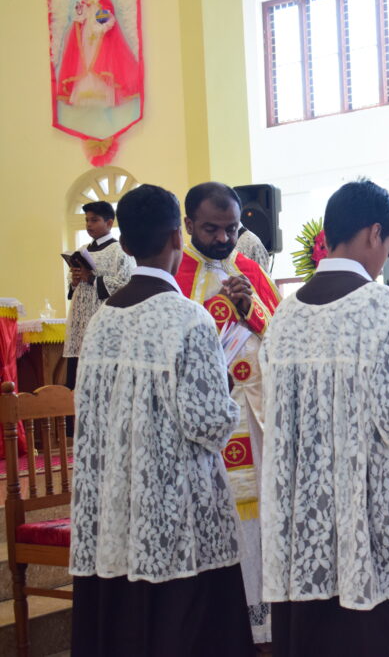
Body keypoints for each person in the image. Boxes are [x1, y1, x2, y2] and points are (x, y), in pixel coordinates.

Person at [261, 180, 389, 656]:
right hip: (374, 527)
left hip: (308, 522)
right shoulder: (383, 307)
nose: (383, 262)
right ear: (375, 234)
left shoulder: (284, 316)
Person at [70, 184, 253, 656]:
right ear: (179, 235)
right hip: (178, 524)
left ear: (125, 244)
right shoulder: (189, 319)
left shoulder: (101, 322)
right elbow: (211, 425)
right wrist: (228, 392)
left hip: (115, 515)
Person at [174, 181, 280, 644]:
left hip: (256, 420)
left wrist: (249, 307)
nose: (222, 239)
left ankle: (268, 620)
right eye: (211, 229)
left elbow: (281, 337)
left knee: (260, 518)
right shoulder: (175, 276)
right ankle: (229, 623)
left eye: (231, 229)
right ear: (189, 225)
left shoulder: (251, 271)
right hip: (208, 426)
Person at [64, 201, 134, 389]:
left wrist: (93, 279)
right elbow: (75, 287)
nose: (88, 225)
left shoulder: (120, 250)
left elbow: (127, 285)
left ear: (109, 223)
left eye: (94, 220)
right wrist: (75, 281)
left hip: (105, 323)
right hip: (81, 325)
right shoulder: (82, 251)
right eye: (87, 220)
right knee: (77, 384)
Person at [56, 0, 141, 108]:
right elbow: (80, 18)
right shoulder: (85, 0)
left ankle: (102, 93)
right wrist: (79, 12)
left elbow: (110, 18)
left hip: (100, 36)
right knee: (86, 61)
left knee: (101, 60)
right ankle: (84, 91)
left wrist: (102, 27)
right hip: (87, 34)